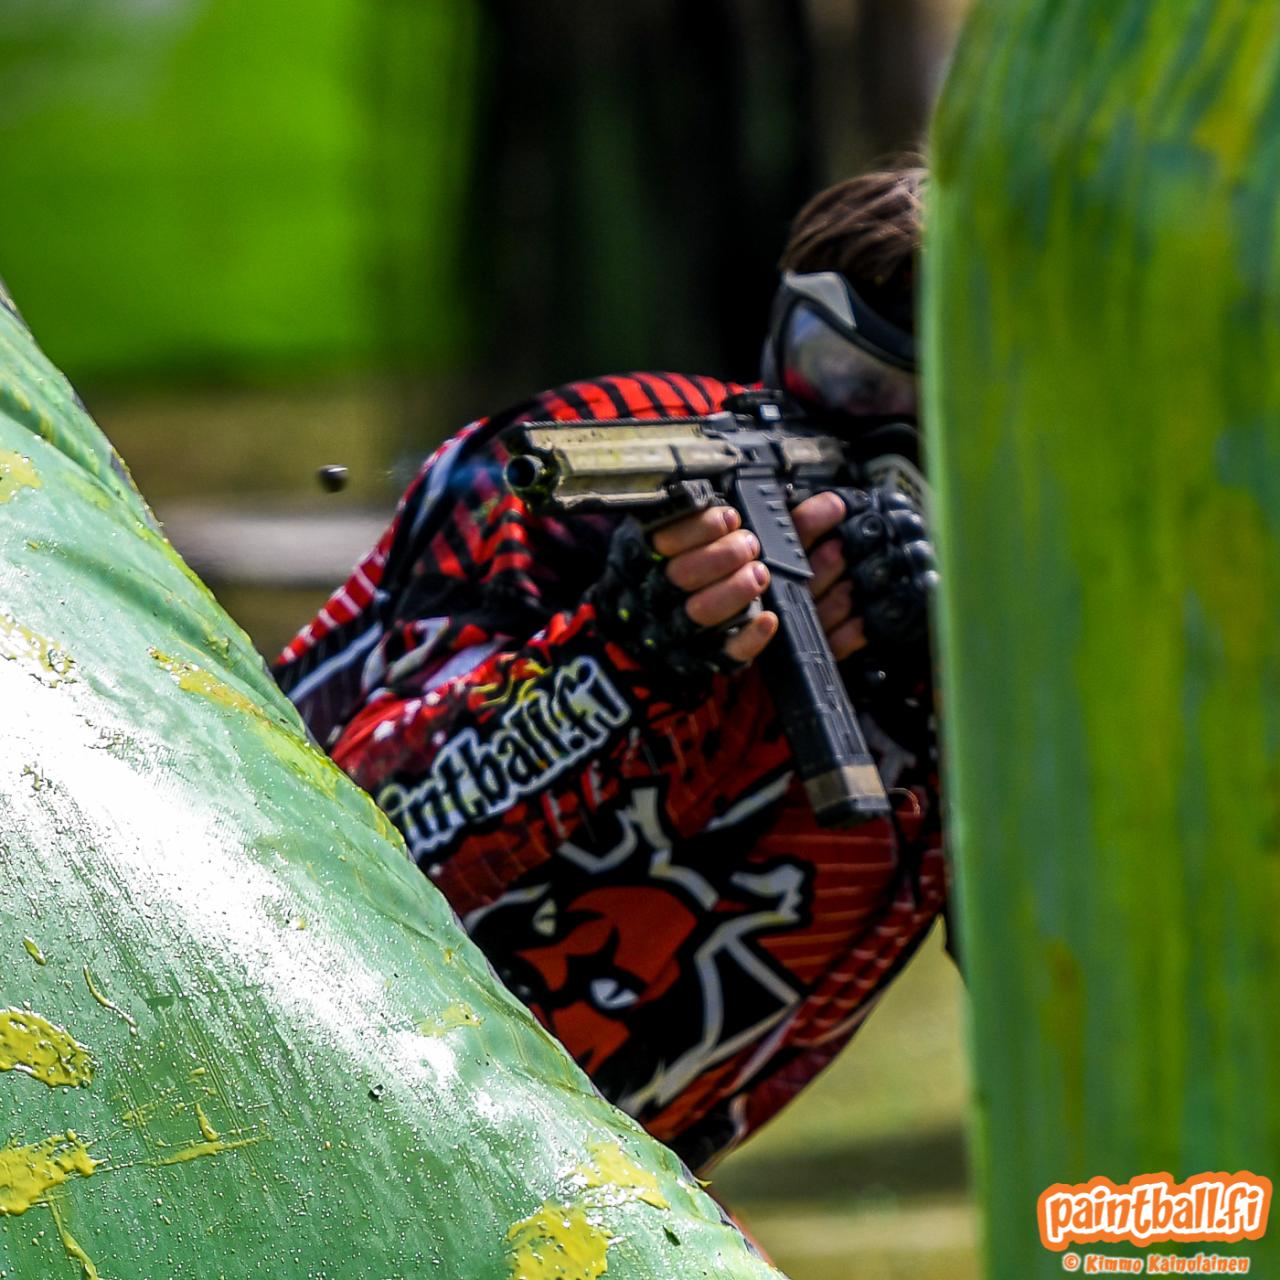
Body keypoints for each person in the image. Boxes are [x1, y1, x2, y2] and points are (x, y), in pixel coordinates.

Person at [274, 166, 945, 1174]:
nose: (882, 433)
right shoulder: (600, 467)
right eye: (847, 375)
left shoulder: (1023, 631)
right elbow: (340, 851)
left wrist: (966, 678)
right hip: (278, 1053)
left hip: (571, 1176)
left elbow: (1089, 1000)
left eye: (940, 406)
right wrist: (622, 654)